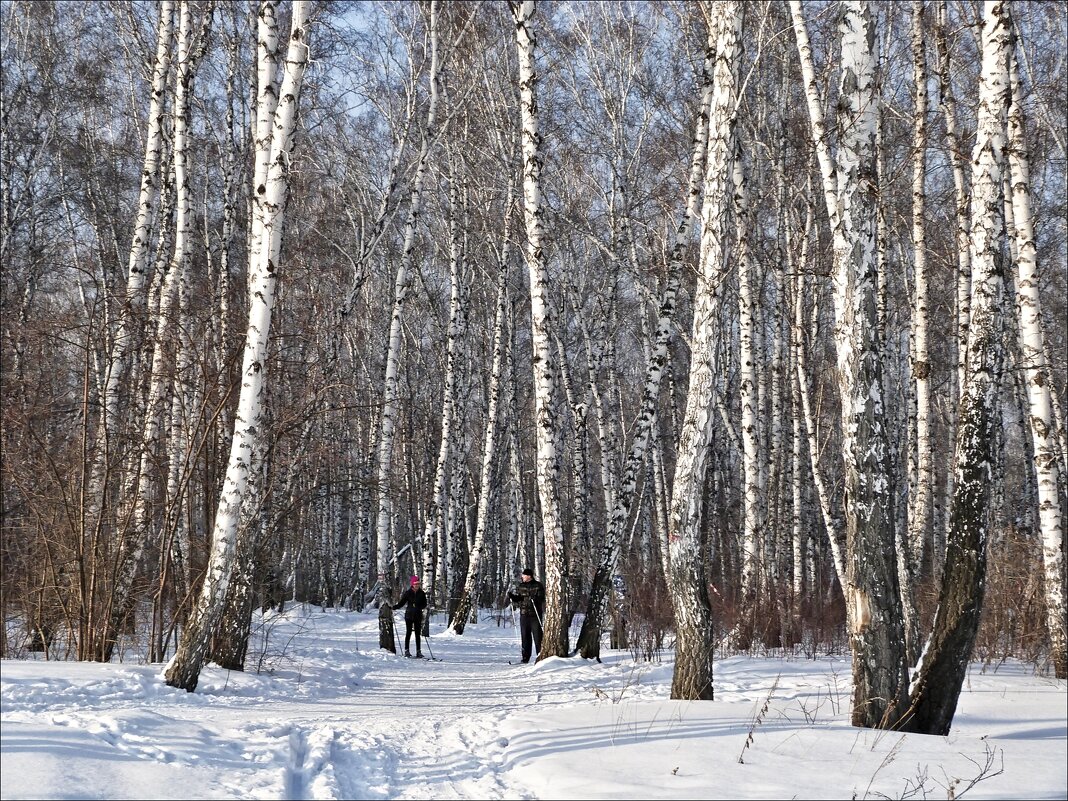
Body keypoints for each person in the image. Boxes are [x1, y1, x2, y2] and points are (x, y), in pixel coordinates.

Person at [508, 568, 545, 663]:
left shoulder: (538, 585)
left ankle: (540, 655)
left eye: (524, 575)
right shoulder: (521, 586)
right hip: (524, 614)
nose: (522, 577)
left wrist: (535, 599)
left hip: (535, 614)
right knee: (525, 636)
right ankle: (525, 657)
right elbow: (520, 598)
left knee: (538, 637)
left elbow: (541, 598)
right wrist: (513, 597)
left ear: (529, 576)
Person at [394, 575, 428, 657]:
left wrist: (419, 607)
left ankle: (418, 651)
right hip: (409, 615)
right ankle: (406, 650)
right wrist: (394, 607)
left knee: (417, 634)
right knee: (408, 632)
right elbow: (401, 603)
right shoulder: (408, 593)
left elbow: (424, 604)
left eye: (418, 584)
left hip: (418, 615)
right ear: (412, 584)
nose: (417, 585)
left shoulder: (422, 593)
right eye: (415, 584)